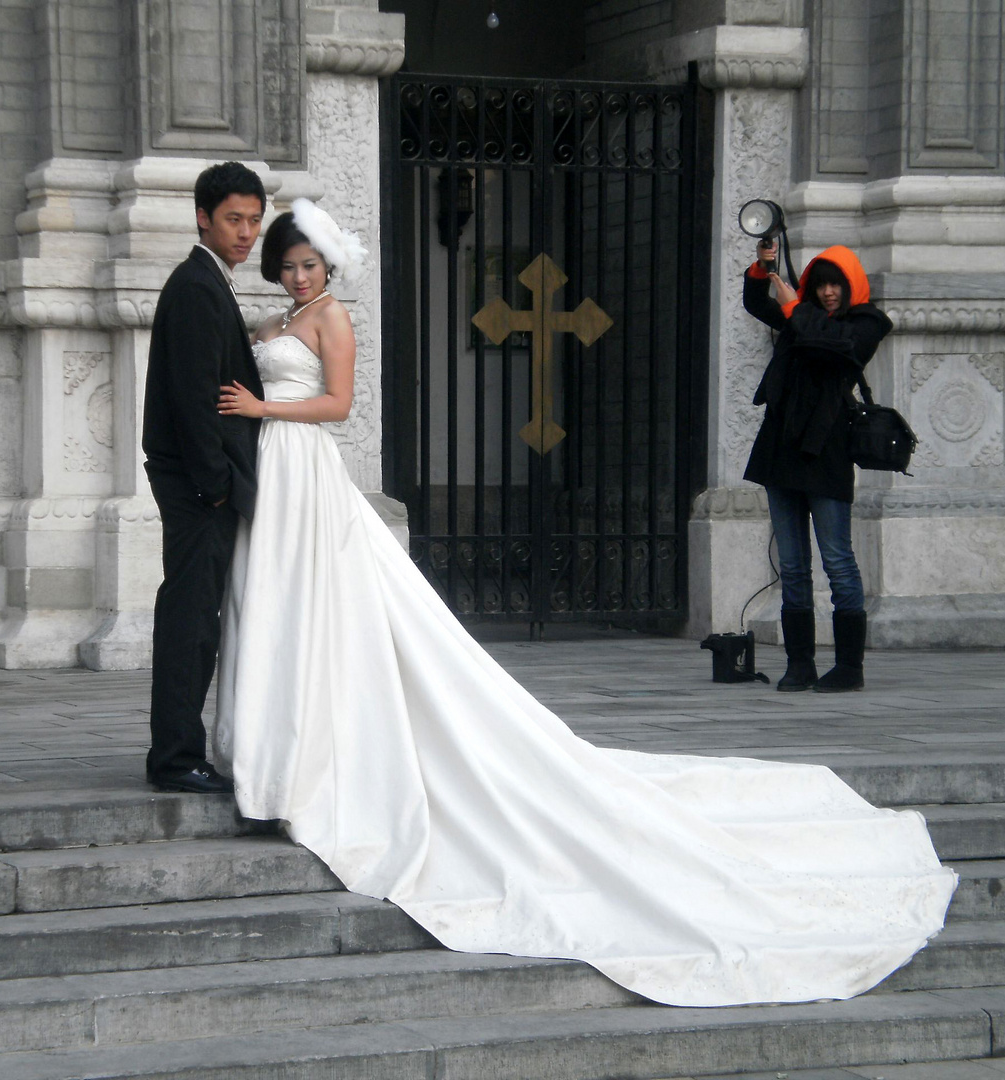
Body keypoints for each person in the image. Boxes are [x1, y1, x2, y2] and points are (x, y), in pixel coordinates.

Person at [212, 201, 954, 1008]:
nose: (296, 274)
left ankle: (832, 666)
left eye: (307, 264)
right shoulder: (288, 318)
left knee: (833, 566)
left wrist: (261, 406)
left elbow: (339, 406)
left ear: (330, 267)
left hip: (304, 463)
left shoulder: (335, 321)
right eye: (287, 265)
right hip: (275, 476)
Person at [140, 162, 266, 794]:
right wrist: (215, 484)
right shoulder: (195, 286)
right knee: (191, 619)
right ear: (202, 218)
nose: (246, 233)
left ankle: (180, 751)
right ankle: (175, 758)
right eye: (233, 220)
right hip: (197, 487)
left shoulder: (211, 282)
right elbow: (194, 398)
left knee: (199, 619)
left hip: (202, 483)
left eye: (253, 220)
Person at [742, 241, 892, 693]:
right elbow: (755, 303)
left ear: (852, 286)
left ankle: (849, 667)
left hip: (826, 451)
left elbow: (835, 349)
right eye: (822, 284)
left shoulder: (868, 323)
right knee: (792, 566)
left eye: (837, 284)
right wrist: (762, 268)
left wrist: (794, 309)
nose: (828, 292)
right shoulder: (796, 316)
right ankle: (800, 663)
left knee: (838, 561)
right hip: (781, 450)